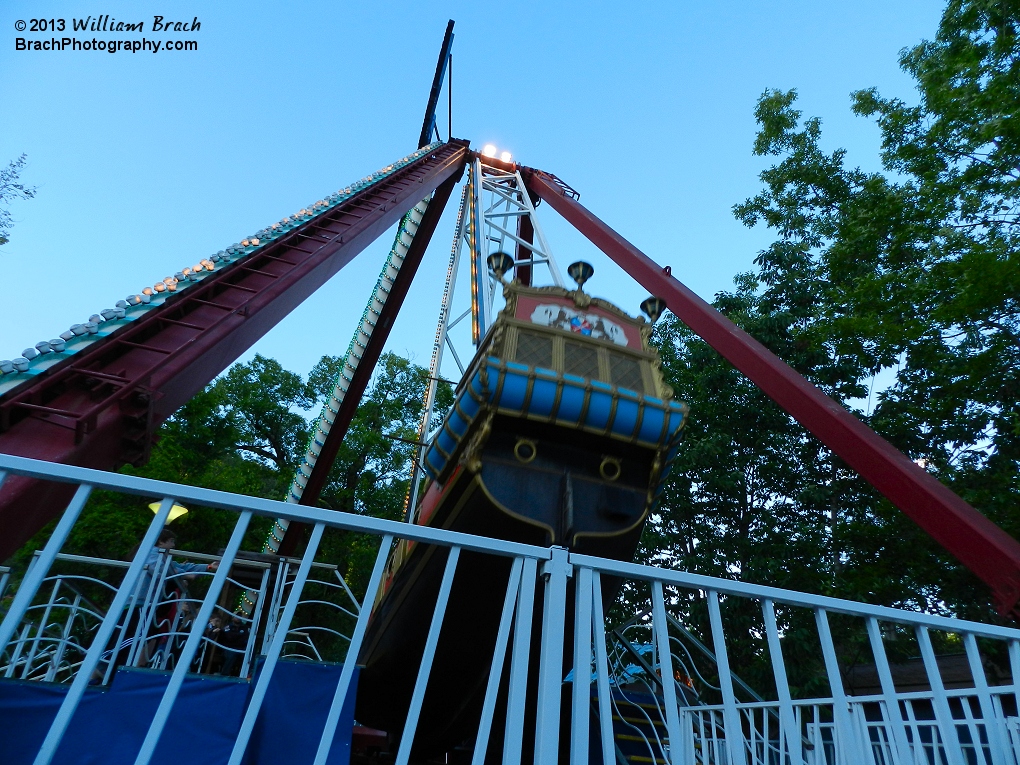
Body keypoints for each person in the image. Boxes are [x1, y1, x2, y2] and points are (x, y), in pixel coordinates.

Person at [102, 528, 218, 680]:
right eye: (171, 541)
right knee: (137, 635)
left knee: (136, 634)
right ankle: (106, 663)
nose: (174, 545)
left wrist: (208, 567)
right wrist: (182, 575)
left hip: (138, 602)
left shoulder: (161, 557)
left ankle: (106, 666)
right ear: (161, 541)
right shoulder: (152, 553)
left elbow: (181, 568)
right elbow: (159, 570)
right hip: (140, 602)